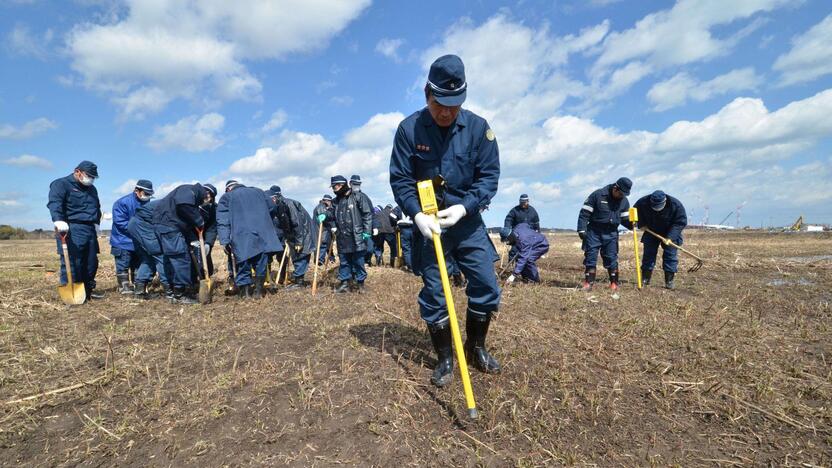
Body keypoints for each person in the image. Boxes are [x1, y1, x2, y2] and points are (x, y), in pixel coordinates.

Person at [389, 54, 502, 387]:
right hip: (431, 227)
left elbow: (489, 177)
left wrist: (466, 207)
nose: (446, 112)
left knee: (485, 284)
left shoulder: (479, 129)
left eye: (454, 105)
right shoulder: (409, 130)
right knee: (436, 293)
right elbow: (400, 179)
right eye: (440, 103)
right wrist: (416, 214)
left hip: (466, 224)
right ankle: (445, 358)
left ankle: (475, 347)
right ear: (427, 93)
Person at [47, 161, 103, 301]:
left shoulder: (92, 189)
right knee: (73, 262)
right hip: (71, 227)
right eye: (88, 175)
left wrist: (96, 222)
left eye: (93, 177)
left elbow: (96, 206)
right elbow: (55, 203)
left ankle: (87, 290)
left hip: (89, 228)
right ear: (77, 171)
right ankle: (71, 290)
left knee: (91, 262)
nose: (91, 179)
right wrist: (58, 220)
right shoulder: (61, 184)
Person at [217, 180, 282, 298]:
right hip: (262, 234)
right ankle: (258, 291)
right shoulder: (259, 192)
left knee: (243, 263)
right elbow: (272, 208)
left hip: (241, 235)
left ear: (228, 189)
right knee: (261, 262)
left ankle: (245, 294)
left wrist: (225, 240)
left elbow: (223, 221)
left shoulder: (227, 197)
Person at [152, 183, 211, 304]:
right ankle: (180, 294)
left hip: (165, 226)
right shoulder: (188, 191)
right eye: (203, 200)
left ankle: (173, 291)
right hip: (169, 227)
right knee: (181, 257)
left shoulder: (187, 193)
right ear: (202, 194)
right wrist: (199, 221)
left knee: (171, 258)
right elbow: (183, 205)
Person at [577, 177, 632, 291]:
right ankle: (588, 283)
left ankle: (614, 284)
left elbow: (625, 219)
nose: (622, 196)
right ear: (615, 188)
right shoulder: (597, 195)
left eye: (624, 194)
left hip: (611, 233)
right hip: (594, 232)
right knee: (590, 257)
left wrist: (634, 225)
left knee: (611, 258)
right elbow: (584, 214)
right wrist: (581, 229)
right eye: (621, 193)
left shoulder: (624, 201)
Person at [625, 190, 687, 289]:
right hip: (651, 230)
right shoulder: (642, 202)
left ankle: (669, 281)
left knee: (670, 256)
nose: (656, 208)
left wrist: (670, 237)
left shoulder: (676, 205)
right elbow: (634, 215)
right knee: (648, 255)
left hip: (670, 231)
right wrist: (641, 224)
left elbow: (680, 222)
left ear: (664, 201)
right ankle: (645, 279)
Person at [110, 179, 154, 294]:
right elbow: (120, 222)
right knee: (123, 263)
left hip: (139, 241)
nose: (147, 196)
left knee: (138, 263)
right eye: (145, 193)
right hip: (123, 240)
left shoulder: (148, 203)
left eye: (149, 194)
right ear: (136, 190)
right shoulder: (122, 203)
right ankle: (124, 286)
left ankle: (138, 285)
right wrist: (139, 230)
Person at [331, 175, 373, 293]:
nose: (334, 189)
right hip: (342, 236)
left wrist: (367, 231)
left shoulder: (357, 197)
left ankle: (360, 284)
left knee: (358, 261)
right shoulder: (335, 202)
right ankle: (344, 283)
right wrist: (325, 216)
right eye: (333, 187)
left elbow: (367, 214)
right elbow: (332, 215)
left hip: (356, 235)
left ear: (343, 185)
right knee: (344, 261)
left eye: (336, 186)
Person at [269, 189, 315, 290]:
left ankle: (299, 282)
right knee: (297, 256)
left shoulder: (288, 204)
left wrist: (299, 241)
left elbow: (297, 223)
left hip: (303, 234)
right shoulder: (280, 206)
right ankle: (298, 280)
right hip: (296, 235)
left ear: (274, 198)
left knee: (300, 255)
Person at [127, 199, 169, 299]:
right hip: (142, 226)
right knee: (159, 254)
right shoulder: (171, 206)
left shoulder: (171, 202)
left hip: (136, 225)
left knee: (148, 258)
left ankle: (139, 291)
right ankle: (170, 291)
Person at [350, 175, 375, 265]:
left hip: (364, 228)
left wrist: (374, 226)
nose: (356, 186)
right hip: (351, 229)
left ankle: (366, 260)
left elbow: (371, 213)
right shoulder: (347, 197)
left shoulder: (365, 197)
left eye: (358, 184)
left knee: (369, 248)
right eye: (354, 184)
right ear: (350, 184)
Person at [313, 194, 336, 265]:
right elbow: (325, 215)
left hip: (327, 230)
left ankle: (331, 259)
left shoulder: (329, 208)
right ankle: (319, 261)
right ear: (323, 201)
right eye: (326, 200)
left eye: (329, 201)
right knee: (322, 245)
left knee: (329, 245)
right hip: (322, 230)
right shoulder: (321, 206)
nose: (327, 202)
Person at [394, 206, 414, 271]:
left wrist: (395, 224)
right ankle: (417, 266)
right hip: (414, 228)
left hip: (404, 230)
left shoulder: (398, 207)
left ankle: (410, 267)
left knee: (407, 249)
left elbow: (392, 216)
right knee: (416, 247)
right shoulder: (413, 204)